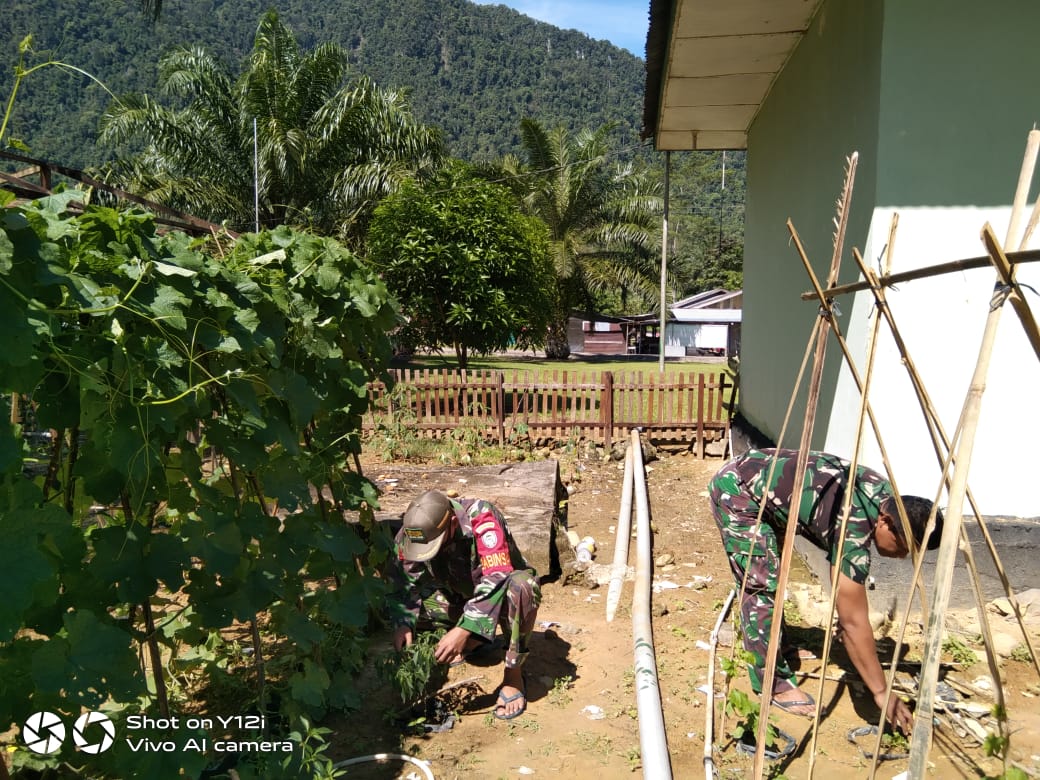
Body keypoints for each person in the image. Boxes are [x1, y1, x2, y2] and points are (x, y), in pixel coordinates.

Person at [708, 447, 943, 733]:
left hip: (768, 490)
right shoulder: (852, 529)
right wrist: (881, 692)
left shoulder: (886, 497)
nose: (902, 556)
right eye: (904, 547)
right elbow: (852, 623)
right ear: (886, 522)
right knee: (760, 586)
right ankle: (773, 683)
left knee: (773, 574)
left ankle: (778, 645)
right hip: (739, 492)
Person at [387, 489, 541, 720]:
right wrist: (404, 622)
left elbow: (497, 576)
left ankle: (513, 675)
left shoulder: (482, 517)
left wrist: (463, 628)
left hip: (496, 595)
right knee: (404, 605)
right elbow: (404, 580)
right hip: (455, 595)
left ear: (451, 522)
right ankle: (474, 641)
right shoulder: (413, 530)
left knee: (522, 588)